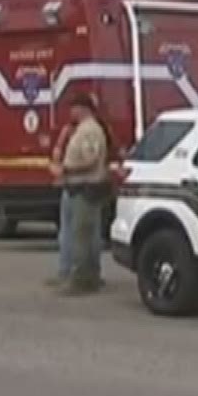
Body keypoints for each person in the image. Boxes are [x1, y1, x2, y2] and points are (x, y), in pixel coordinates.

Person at [56, 95, 112, 294]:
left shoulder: (90, 130)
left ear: (83, 108)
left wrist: (66, 169)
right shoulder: (81, 129)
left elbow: (90, 159)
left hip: (85, 188)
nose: (71, 112)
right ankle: (84, 277)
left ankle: (81, 280)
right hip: (77, 187)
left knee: (82, 236)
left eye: (73, 108)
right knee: (81, 234)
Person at [46, 115, 77, 289]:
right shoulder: (95, 130)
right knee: (84, 232)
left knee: (67, 231)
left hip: (71, 185)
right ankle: (83, 271)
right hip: (85, 186)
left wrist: (57, 168)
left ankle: (66, 271)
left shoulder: (70, 134)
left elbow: (56, 155)